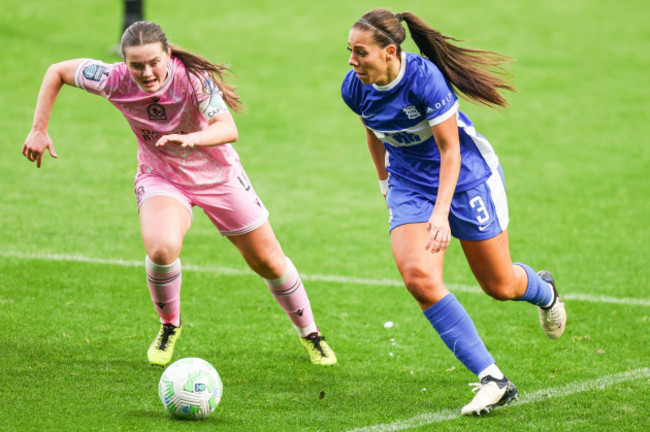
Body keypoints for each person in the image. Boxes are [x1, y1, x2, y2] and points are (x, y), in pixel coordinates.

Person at [23, 21, 336, 367]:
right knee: (160, 248)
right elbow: (57, 71)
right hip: (162, 176)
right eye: (136, 65)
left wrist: (191, 139)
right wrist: (39, 129)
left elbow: (227, 128)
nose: (146, 72)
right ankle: (170, 325)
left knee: (268, 261)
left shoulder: (194, 80)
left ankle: (311, 334)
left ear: (169, 55)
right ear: (125, 64)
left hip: (219, 176)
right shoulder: (112, 79)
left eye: (154, 62)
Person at [341, 8, 566, 416]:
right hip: (409, 184)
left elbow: (451, 150)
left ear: (390, 52)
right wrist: (385, 184)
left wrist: (441, 213)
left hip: (466, 180)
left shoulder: (425, 79)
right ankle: (493, 379)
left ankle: (545, 290)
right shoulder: (355, 87)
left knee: (500, 285)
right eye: (349, 51)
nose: (352, 61)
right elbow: (374, 132)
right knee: (420, 278)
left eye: (361, 53)